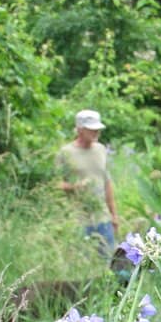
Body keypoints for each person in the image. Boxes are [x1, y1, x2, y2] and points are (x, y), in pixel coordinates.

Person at [56, 109, 120, 257]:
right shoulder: (65, 153)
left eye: (98, 129)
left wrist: (114, 216)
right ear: (80, 129)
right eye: (92, 129)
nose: (96, 132)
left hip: (102, 217)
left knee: (110, 260)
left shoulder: (101, 150)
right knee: (82, 263)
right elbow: (55, 184)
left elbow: (107, 183)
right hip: (78, 219)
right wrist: (74, 187)